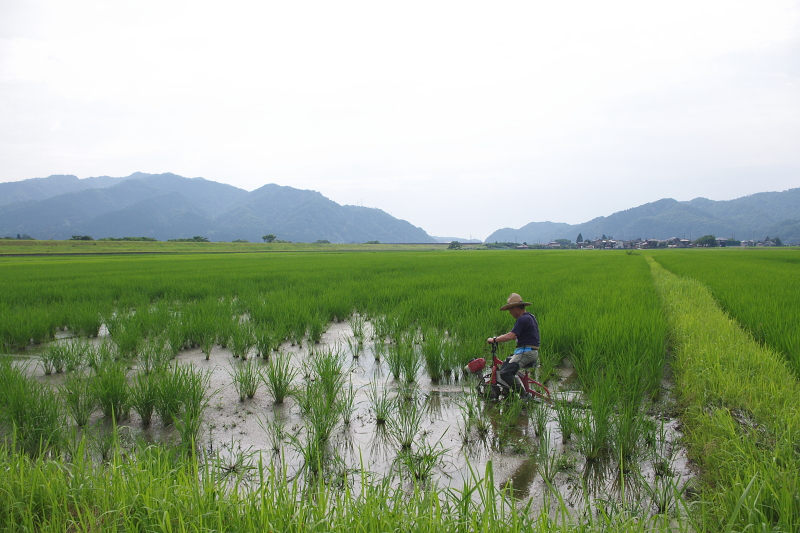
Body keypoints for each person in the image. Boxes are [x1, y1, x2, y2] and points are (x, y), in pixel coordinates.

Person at [486, 293, 540, 395]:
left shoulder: (522, 319)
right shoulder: (529, 317)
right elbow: (515, 336)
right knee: (506, 363)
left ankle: (524, 396)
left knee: (505, 373)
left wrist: (494, 340)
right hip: (528, 351)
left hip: (526, 352)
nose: (510, 312)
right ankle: (507, 393)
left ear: (516, 308)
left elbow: (511, 336)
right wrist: (500, 339)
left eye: (510, 309)